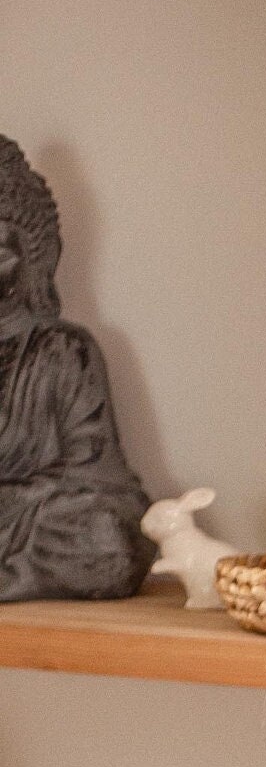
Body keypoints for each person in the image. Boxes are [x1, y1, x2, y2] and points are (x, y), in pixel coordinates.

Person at [0, 137, 151, 604]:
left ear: (31, 257)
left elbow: (96, 470)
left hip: (36, 516)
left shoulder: (64, 347)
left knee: (105, 534)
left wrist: (20, 498)